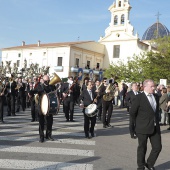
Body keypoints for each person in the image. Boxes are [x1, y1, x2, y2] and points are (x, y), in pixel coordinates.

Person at [129, 79, 162, 170]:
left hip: (155, 127)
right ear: (145, 87)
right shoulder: (139, 97)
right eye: (151, 86)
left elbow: (155, 111)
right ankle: (141, 166)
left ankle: (150, 164)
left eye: (154, 86)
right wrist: (133, 128)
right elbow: (132, 113)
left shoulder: (155, 96)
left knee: (157, 147)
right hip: (142, 127)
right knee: (142, 148)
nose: (153, 88)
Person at [34, 75, 56, 143]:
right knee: (41, 123)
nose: (48, 81)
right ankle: (41, 137)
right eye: (46, 80)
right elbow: (35, 91)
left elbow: (55, 93)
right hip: (42, 107)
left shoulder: (51, 86)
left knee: (49, 122)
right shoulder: (40, 86)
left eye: (48, 80)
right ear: (43, 80)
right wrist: (31, 93)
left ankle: (48, 135)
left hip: (49, 107)